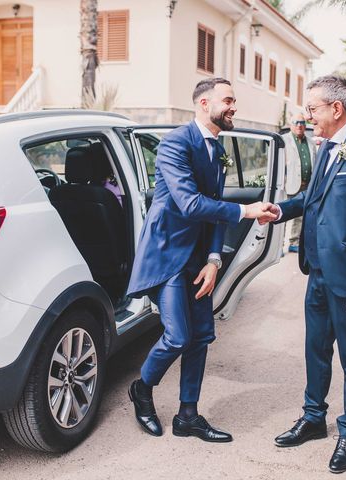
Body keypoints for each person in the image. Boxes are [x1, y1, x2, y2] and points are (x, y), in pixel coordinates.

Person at [126, 77, 276, 442]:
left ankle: (188, 416)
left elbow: (213, 214)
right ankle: (141, 390)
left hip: (198, 258)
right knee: (178, 336)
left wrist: (214, 258)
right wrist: (246, 209)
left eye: (234, 100)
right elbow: (191, 204)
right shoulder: (176, 143)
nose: (234, 107)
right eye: (228, 100)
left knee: (201, 338)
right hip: (169, 254)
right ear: (204, 104)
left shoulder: (216, 149)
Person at [265, 75, 346, 474]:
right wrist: (281, 210)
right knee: (315, 350)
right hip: (317, 272)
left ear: (336, 109)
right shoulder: (326, 148)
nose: (307, 116)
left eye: (313, 108)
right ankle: (313, 418)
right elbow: (312, 198)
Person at [282, 113, 317, 253]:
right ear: (291, 124)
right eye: (296, 122)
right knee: (283, 214)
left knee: (300, 216)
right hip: (288, 185)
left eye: (302, 122)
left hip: (306, 185)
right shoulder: (283, 140)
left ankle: (294, 242)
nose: (299, 125)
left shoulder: (311, 142)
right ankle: (278, 246)